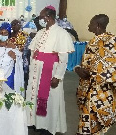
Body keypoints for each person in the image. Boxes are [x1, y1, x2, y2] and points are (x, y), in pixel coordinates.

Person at [25, 6, 74, 135]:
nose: (40, 20)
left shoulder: (61, 33)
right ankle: (35, 123)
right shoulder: (40, 32)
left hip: (50, 73)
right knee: (33, 96)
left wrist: (58, 76)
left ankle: (47, 127)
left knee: (50, 100)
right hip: (36, 72)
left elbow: (63, 58)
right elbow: (33, 51)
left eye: (41, 17)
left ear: (49, 17)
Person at [75, 14, 116, 135]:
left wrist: (94, 73)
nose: (88, 25)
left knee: (89, 118)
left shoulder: (113, 41)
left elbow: (114, 65)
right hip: (88, 86)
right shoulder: (92, 42)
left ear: (98, 25)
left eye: (91, 23)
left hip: (101, 90)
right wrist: (78, 69)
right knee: (87, 119)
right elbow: (86, 62)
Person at [10, 19, 31, 90]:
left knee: (21, 77)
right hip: (10, 59)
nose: (14, 26)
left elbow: (27, 48)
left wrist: (19, 52)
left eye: (16, 24)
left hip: (22, 60)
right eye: (12, 24)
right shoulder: (9, 35)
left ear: (20, 25)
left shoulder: (24, 35)